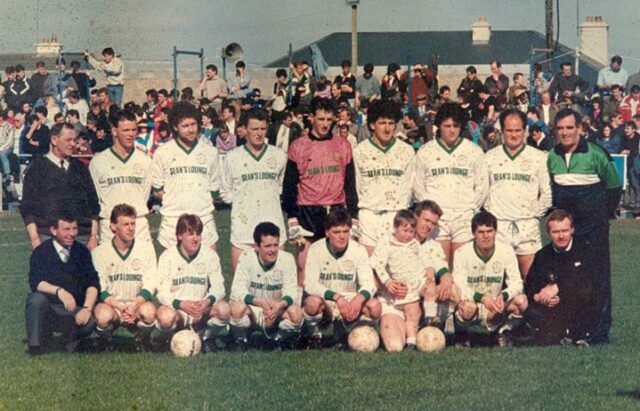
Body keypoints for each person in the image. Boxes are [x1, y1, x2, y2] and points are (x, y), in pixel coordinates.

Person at [547, 108, 621, 342]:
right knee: (567, 278)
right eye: (560, 128)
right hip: (565, 233)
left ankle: (598, 333)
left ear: (580, 128)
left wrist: (601, 217)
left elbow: (614, 187)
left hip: (594, 228)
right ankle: (573, 330)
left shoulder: (596, 153)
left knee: (597, 279)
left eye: (570, 127)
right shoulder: (551, 156)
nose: (565, 133)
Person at [282, 97, 358, 285]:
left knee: (334, 266)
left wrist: (354, 215)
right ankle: (302, 310)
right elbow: (289, 185)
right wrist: (292, 217)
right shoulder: (298, 146)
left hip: (335, 208)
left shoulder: (343, 145)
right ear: (311, 118)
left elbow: (350, 183)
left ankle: (334, 310)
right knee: (305, 265)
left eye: (329, 120)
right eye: (321, 119)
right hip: (307, 209)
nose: (325, 124)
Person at [414, 103, 489, 267]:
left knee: (461, 269)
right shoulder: (426, 151)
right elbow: (418, 187)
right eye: (447, 126)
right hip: (437, 221)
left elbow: (482, 187)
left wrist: (470, 208)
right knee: (437, 268)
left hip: (464, 218)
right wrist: (430, 213)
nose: (452, 130)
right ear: (439, 126)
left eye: (456, 126)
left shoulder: (474, 151)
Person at [484, 109, 552, 277]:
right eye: (509, 130)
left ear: (525, 130)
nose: (514, 135)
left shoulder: (538, 157)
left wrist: (533, 215)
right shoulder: (490, 157)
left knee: (532, 282)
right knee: (496, 283)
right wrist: (492, 213)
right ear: (502, 130)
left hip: (527, 226)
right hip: (499, 226)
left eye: (518, 130)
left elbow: (547, 193)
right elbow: (483, 191)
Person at [220, 108, 287, 272]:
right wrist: (241, 204)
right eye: (254, 129)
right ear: (244, 130)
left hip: (273, 228)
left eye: (262, 129)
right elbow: (225, 191)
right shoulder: (232, 157)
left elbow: (281, 187)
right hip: (243, 230)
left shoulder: (278, 156)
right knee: (241, 289)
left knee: (275, 287)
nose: (259, 133)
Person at [524, 210, 604, 346]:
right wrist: (539, 297)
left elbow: (591, 280)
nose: (561, 236)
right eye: (555, 232)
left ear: (572, 230)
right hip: (551, 307)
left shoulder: (586, 250)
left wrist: (558, 288)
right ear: (549, 233)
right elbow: (530, 285)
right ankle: (560, 334)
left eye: (565, 230)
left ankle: (582, 334)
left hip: (578, 303)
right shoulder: (542, 255)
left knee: (588, 293)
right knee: (531, 312)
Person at [302, 209, 381, 348]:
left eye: (345, 231)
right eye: (337, 232)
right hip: (327, 302)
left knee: (374, 307)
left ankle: (354, 333)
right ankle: (314, 336)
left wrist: (358, 299)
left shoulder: (358, 249)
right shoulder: (316, 249)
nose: (342, 236)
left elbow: (369, 283)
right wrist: (337, 297)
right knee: (312, 303)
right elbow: (309, 284)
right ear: (327, 232)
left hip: (349, 300)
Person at [25, 214, 100, 355]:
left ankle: (70, 342)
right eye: (66, 229)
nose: (72, 234)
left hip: (72, 310)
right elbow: (35, 282)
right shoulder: (41, 251)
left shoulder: (82, 252)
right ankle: (35, 347)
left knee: (90, 321)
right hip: (49, 308)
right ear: (54, 230)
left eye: (74, 229)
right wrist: (59, 291)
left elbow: (92, 282)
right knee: (35, 300)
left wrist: (87, 309)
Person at [452, 211, 528, 347]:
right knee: (465, 305)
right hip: (473, 302)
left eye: (489, 231)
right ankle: (462, 334)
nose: (486, 236)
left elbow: (517, 283)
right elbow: (459, 285)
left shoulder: (506, 251)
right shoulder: (462, 253)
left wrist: (503, 296)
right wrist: (481, 297)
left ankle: (503, 332)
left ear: (496, 231)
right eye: (481, 232)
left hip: (495, 303)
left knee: (522, 301)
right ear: (473, 233)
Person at [151, 102, 221, 250]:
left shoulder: (210, 152)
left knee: (209, 270)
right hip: (172, 220)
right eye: (185, 126)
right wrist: (176, 200)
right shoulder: (163, 153)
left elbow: (214, 188)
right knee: (171, 271)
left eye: (193, 124)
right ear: (175, 127)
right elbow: (157, 188)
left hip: (204, 219)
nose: (191, 130)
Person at [155, 214, 229, 353]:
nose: (195, 238)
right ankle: (170, 341)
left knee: (224, 310)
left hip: (201, 308)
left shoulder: (210, 255)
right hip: (177, 309)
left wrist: (207, 301)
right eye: (190, 234)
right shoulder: (168, 257)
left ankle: (206, 338)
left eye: (198, 234)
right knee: (165, 317)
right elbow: (161, 292)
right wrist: (180, 304)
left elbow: (220, 287)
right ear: (179, 236)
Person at [20, 122, 99, 250]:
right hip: (48, 237)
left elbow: (93, 205)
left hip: (81, 238)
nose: (73, 144)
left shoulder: (81, 168)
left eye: (75, 140)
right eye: (68, 140)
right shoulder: (36, 168)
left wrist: (93, 237)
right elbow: (28, 208)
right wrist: (35, 239)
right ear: (54, 140)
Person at [91, 204, 158, 352]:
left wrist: (133, 306)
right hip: (113, 306)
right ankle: (107, 341)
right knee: (102, 316)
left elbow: (151, 283)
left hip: (137, 304)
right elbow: (100, 288)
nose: (131, 228)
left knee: (150, 313)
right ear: (113, 226)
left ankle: (142, 339)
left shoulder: (146, 248)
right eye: (125, 224)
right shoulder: (100, 252)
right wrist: (121, 307)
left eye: (133, 223)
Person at [353, 99, 414, 254]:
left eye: (391, 123)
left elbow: (409, 186)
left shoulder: (407, 151)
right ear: (373, 124)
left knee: (398, 270)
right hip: (370, 216)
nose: (387, 128)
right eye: (382, 123)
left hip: (397, 217)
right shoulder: (360, 151)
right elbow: (357, 186)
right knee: (370, 269)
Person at [229, 222, 302, 351]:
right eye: (268, 246)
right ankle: (241, 339)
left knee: (296, 313)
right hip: (254, 309)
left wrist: (278, 306)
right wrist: (259, 302)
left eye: (275, 245)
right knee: (236, 308)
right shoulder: (246, 257)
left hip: (276, 310)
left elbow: (292, 292)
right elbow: (237, 290)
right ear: (257, 246)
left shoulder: (287, 259)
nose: (273, 250)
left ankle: (278, 339)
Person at [371, 210, 431, 351]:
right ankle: (394, 330)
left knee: (413, 311)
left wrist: (429, 269)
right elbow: (377, 265)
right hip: (392, 297)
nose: (408, 235)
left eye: (411, 231)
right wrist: (387, 282)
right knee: (395, 347)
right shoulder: (387, 244)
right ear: (395, 228)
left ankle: (414, 339)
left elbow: (424, 260)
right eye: (404, 231)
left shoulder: (414, 244)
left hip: (412, 289)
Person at [89, 110, 153, 243]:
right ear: (114, 131)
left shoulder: (145, 161)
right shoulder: (98, 162)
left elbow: (144, 195)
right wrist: (94, 235)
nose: (131, 134)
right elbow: (95, 201)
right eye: (125, 130)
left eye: (133, 130)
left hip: (138, 226)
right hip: (110, 228)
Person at [413, 200, 456, 330]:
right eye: (426, 220)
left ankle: (438, 323)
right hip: (405, 296)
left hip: (427, 296)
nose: (429, 226)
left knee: (454, 290)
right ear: (415, 216)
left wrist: (446, 280)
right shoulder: (401, 241)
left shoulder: (434, 245)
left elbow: (443, 269)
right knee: (396, 345)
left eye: (433, 223)